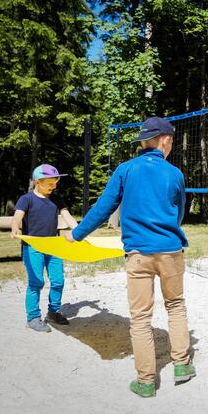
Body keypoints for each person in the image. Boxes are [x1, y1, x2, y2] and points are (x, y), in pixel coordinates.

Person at [64, 117, 195, 398]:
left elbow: (103, 208)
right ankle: (182, 364)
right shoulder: (176, 174)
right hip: (171, 250)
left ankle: (146, 381)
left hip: (138, 254)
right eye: (170, 140)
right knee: (176, 306)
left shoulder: (125, 170)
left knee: (140, 318)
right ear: (165, 140)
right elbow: (180, 212)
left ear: (144, 141)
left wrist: (77, 234)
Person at [11, 164, 78, 333]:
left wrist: (79, 231)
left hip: (53, 246)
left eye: (55, 182)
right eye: (50, 183)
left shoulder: (57, 199)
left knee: (58, 281)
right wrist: (15, 227)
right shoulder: (26, 199)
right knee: (36, 282)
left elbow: (67, 216)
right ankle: (33, 317)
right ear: (37, 182)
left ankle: (53, 312)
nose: (54, 186)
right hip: (33, 246)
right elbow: (17, 216)